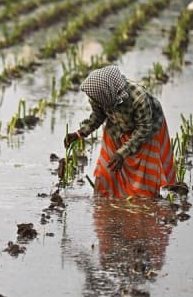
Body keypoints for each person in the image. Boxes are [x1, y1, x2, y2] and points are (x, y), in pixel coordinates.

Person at [64, 66, 176, 198]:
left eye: (96, 99)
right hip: (117, 127)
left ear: (107, 93)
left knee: (142, 179)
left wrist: (122, 153)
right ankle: (107, 201)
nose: (94, 101)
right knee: (106, 170)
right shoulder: (98, 96)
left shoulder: (138, 97)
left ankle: (140, 204)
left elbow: (143, 128)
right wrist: (79, 133)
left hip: (147, 130)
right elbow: (97, 116)